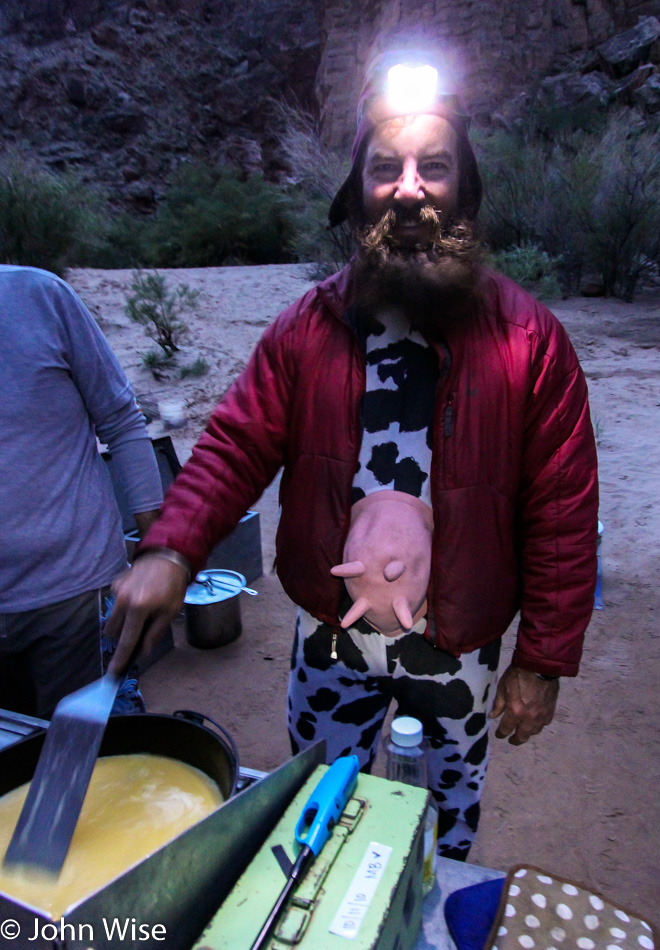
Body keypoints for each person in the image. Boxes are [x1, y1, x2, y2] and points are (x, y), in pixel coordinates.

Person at [106, 51, 599, 859]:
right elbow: (235, 442)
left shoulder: (528, 340)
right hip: (329, 638)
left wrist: (542, 660)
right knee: (314, 815)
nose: (409, 188)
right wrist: (172, 548)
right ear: (357, 190)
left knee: (440, 838)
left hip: (458, 645)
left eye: (433, 167)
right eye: (386, 167)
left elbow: (564, 512)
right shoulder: (310, 325)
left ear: (464, 188)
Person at [0, 264, 163, 719]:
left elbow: (122, 421)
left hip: (67, 588)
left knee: (74, 741)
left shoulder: (39, 296)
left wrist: (158, 549)